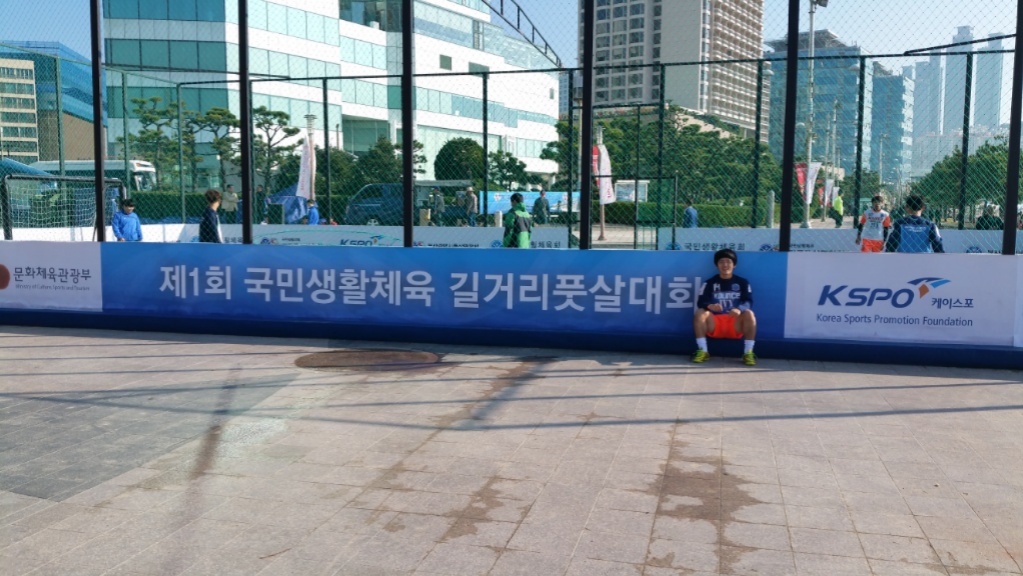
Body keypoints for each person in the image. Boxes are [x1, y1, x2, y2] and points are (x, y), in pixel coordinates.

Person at [692, 248, 757, 366]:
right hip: (715, 323)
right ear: (716, 265)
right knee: (700, 312)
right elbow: (701, 301)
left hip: (734, 323)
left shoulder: (742, 282)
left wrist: (739, 309)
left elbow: (748, 301)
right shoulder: (709, 283)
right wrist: (710, 305)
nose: (725, 265)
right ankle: (703, 351)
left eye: (728, 262)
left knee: (749, 313)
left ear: (734, 265)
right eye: (721, 262)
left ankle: (748, 352)